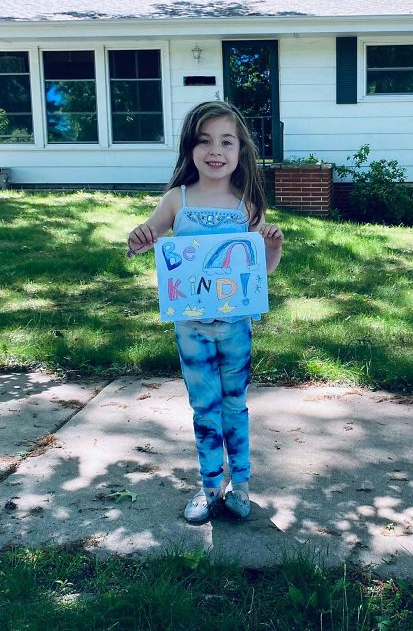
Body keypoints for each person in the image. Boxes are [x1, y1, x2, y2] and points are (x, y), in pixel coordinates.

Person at [126, 101, 283, 523]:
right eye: (205, 141)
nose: (216, 150)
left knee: (235, 405)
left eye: (226, 141)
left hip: (236, 327)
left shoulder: (246, 205)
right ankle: (211, 485)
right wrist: (141, 237)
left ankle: (242, 485)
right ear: (190, 149)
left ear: (240, 150)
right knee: (204, 407)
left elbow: (259, 271)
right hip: (191, 329)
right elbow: (150, 234)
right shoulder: (176, 200)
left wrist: (272, 247)